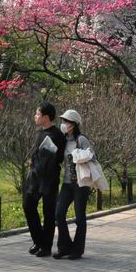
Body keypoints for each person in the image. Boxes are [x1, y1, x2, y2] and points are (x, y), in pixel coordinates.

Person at [23, 102, 66, 258]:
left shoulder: (57, 135)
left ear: (46, 117)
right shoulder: (39, 132)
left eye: (38, 114)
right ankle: (38, 240)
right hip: (35, 177)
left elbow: (59, 158)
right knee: (28, 206)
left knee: (48, 213)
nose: (35, 116)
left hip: (49, 178)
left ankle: (46, 246)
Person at [54, 109, 93, 260]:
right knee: (59, 213)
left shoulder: (81, 139)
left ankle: (77, 250)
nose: (63, 124)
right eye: (63, 121)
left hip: (81, 184)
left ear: (74, 124)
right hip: (67, 183)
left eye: (67, 122)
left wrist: (79, 156)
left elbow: (92, 156)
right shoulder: (64, 140)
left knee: (79, 217)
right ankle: (64, 247)